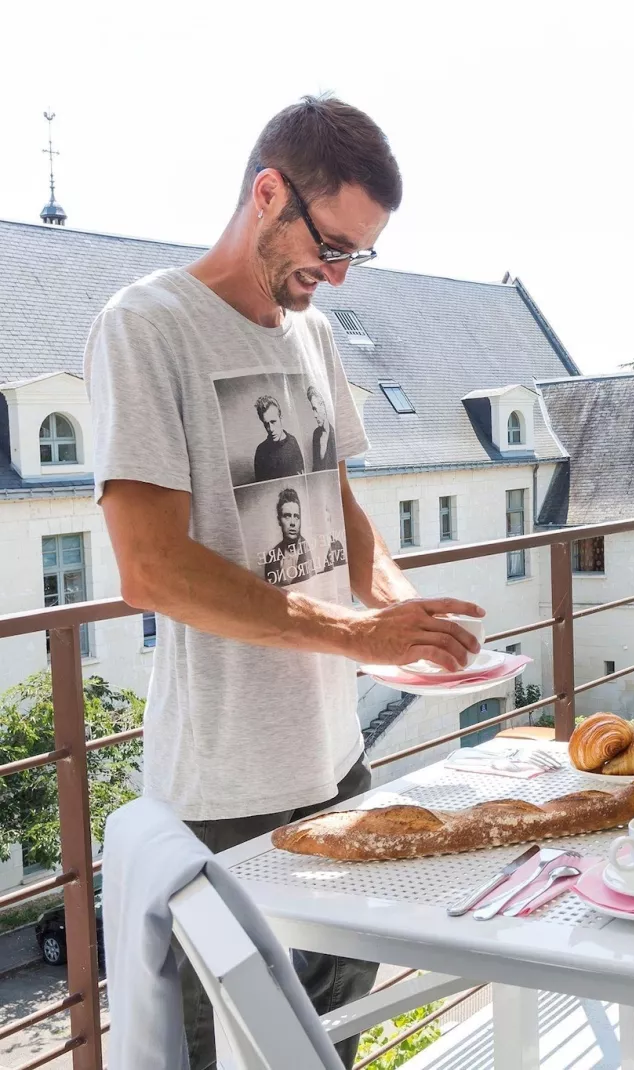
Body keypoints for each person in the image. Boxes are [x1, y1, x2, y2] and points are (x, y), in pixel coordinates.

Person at [85, 95, 484, 1070]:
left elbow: (337, 503)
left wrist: (393, 601)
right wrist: (356, 638)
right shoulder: (147, 327)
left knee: (321, 1047)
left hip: (336, 767)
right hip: (221, 793)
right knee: (222, 1053)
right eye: (333, 243)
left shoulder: (312, 334)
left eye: (360, 256)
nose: (340, 274)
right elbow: (152, 566)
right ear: (269, 192)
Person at [263, 486, 313, 587]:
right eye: (287, 516)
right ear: (279, 520)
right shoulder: (271, 557)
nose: (292, 523)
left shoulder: (311, 547)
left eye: (296, 517)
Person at [252, 394, 304, 480]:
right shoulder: (260, 451)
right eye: (266, 424)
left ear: (281, 419)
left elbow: (302, 476)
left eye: (273, 422)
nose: (270, 429)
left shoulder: (293, 442)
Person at [307, 383, 337, 471]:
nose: (314, 415)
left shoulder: (335, 433)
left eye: (315, 409)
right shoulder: (316, 434)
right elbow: (315, 467)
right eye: (313, 410)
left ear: (323, 406)